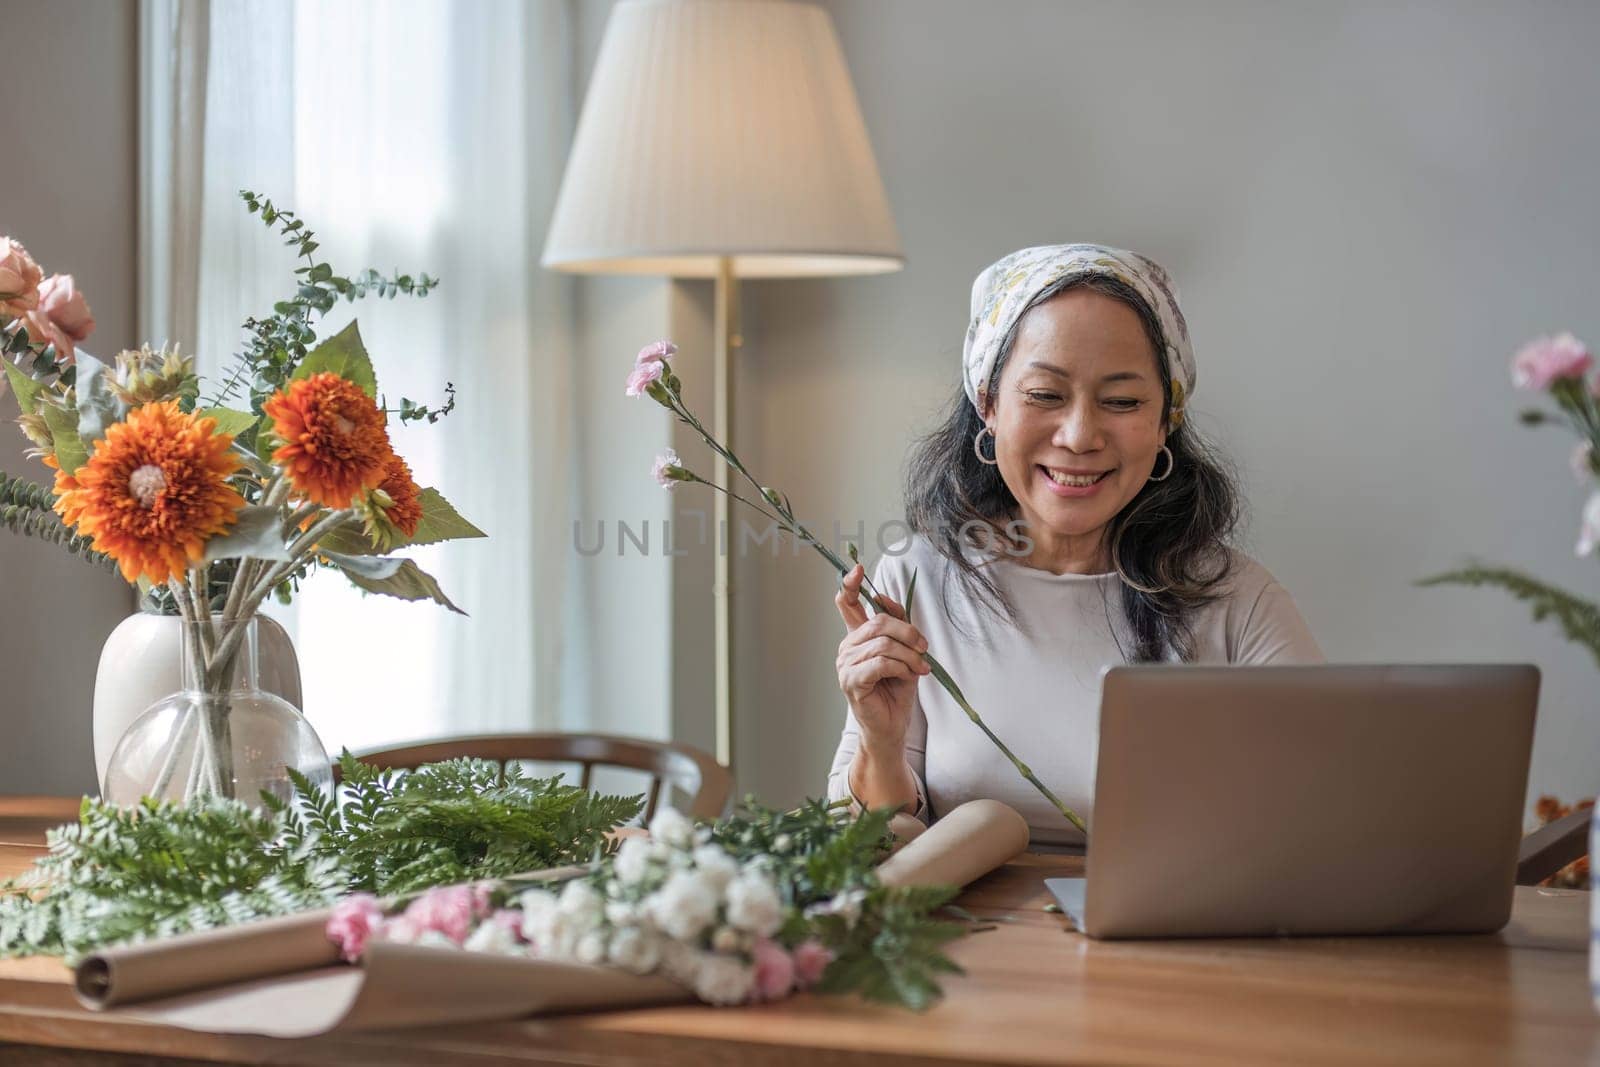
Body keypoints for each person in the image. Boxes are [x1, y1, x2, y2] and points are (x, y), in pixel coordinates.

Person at [825, 244, 1322, 847]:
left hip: (1169, 936)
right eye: (1044, 395)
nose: (1080, 435)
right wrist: (879, 739)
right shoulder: (915, 579)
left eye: (1122, 402)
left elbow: (1318, 824)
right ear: (988, 403)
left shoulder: (1240, 603)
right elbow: (862, 848)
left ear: (1167, 418)